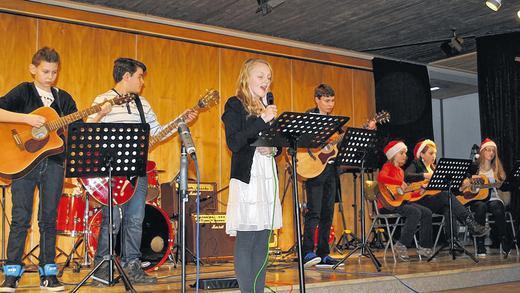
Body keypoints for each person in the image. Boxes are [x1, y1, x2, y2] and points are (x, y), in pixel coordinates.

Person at [87, 57, 196, 285]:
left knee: (136, 219)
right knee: (112, 220)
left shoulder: (143, 104)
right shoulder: (102, 99)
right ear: (126, 77)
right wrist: (100, 115)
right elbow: (89, 131)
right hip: (112, 172)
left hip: (138, 169)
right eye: (139, 76)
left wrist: (179, 122)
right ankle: (102, 270)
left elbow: (157, 132)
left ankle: (133, 267)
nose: (142, 82)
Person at [0, 47, 79, 292]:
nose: (50, 76)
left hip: (54, 164)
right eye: (45, 71)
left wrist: (98, 114)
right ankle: (11, 274)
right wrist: (27, 120)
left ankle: (48, 274)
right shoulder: (23, 91)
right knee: (21, 218)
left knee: (48, 219)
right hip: (23, 164)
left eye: (54, 72)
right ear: (33, 69)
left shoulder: (63, 98)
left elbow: (78, 127)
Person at [222, 58, 282, 293]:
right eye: (260, 76)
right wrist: (262, 120)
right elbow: (235, 142)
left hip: (267, 178)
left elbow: (278, 142)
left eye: (268, 78)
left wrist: (275, 149)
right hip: (248, 180)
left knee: (262, 242)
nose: (266, 82)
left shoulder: (268, 106)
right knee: (247, 241)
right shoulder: (234, 105)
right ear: (246, 77)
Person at [405, 139, 489, 242]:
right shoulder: (416, 164)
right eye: (430, 153)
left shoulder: (435, 168)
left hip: (434, 201)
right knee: (445, 195)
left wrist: (460, 187)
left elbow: (446, 187)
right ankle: (471, 223)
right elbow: (407, 176)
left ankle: (453, 241)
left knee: (449, 207)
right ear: (421, 154)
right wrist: (426, 175)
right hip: (420, 201)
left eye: (435, 154)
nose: (434, 156)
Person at [301, 84, 344, 268]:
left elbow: (339, 146)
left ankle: (324, 253)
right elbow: (302, 142)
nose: (330, 104)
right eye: (327, 100)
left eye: (333, 100)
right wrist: (324, 140)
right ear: (317, 100)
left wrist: (367, 128)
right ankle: (307, 252)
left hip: (330, 170)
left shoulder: (335, 122)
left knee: (328, 213)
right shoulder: (308, 118)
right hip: (313, 168)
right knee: (314, 212)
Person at [377, 140, 434, 261]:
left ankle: (424, 246)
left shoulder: (401, 171)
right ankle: (401, 244)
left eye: (405, 153)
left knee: (427, 212)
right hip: (387, 205)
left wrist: (420, 191)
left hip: (399, 202)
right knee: (415, 212)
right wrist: (399, 182)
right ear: (393, 155)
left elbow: (406, 195)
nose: (405, 156)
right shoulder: (388, 167)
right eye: (401, 153)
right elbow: (381, 177)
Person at [461, 138, 511, 257]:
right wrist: (466, 182)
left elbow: (503, 187)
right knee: (480, 207)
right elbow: (463, 184)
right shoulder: (474, 167)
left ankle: (504, 239)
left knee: (497, 207)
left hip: (493, 197)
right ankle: (480, 243)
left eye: (493, 151)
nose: (491, 153)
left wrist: (502, 184)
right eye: (488, 150)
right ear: (482, 152)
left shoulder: (497, 169)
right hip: (476, 199)